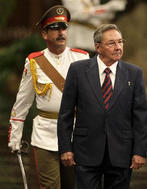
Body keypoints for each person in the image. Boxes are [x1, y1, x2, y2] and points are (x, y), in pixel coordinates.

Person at [57, 24, 147, 189]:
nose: (118, 47)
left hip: (122, 153)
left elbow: (141, 117)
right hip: (85, 152)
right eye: (112, 43)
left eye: (120, 42)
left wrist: (140, 151)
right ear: (98, 47)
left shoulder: (134, 73)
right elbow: (66, 114)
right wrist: (65, 148)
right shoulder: (78, 70)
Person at [7, 5, 89, 189]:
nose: (61, 32)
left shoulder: (82, 59)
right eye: (55, 28)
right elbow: (22, 104)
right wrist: (15, 139)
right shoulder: (35, 63)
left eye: (64, 28)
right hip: (45, 136)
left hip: (77, 135)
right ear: (45, 34)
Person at [62, 0, 127, 52]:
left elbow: (99, 15)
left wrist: (113, 9)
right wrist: (107, 7)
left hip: (92, 40)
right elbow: (81, 14)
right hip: (77, 40)